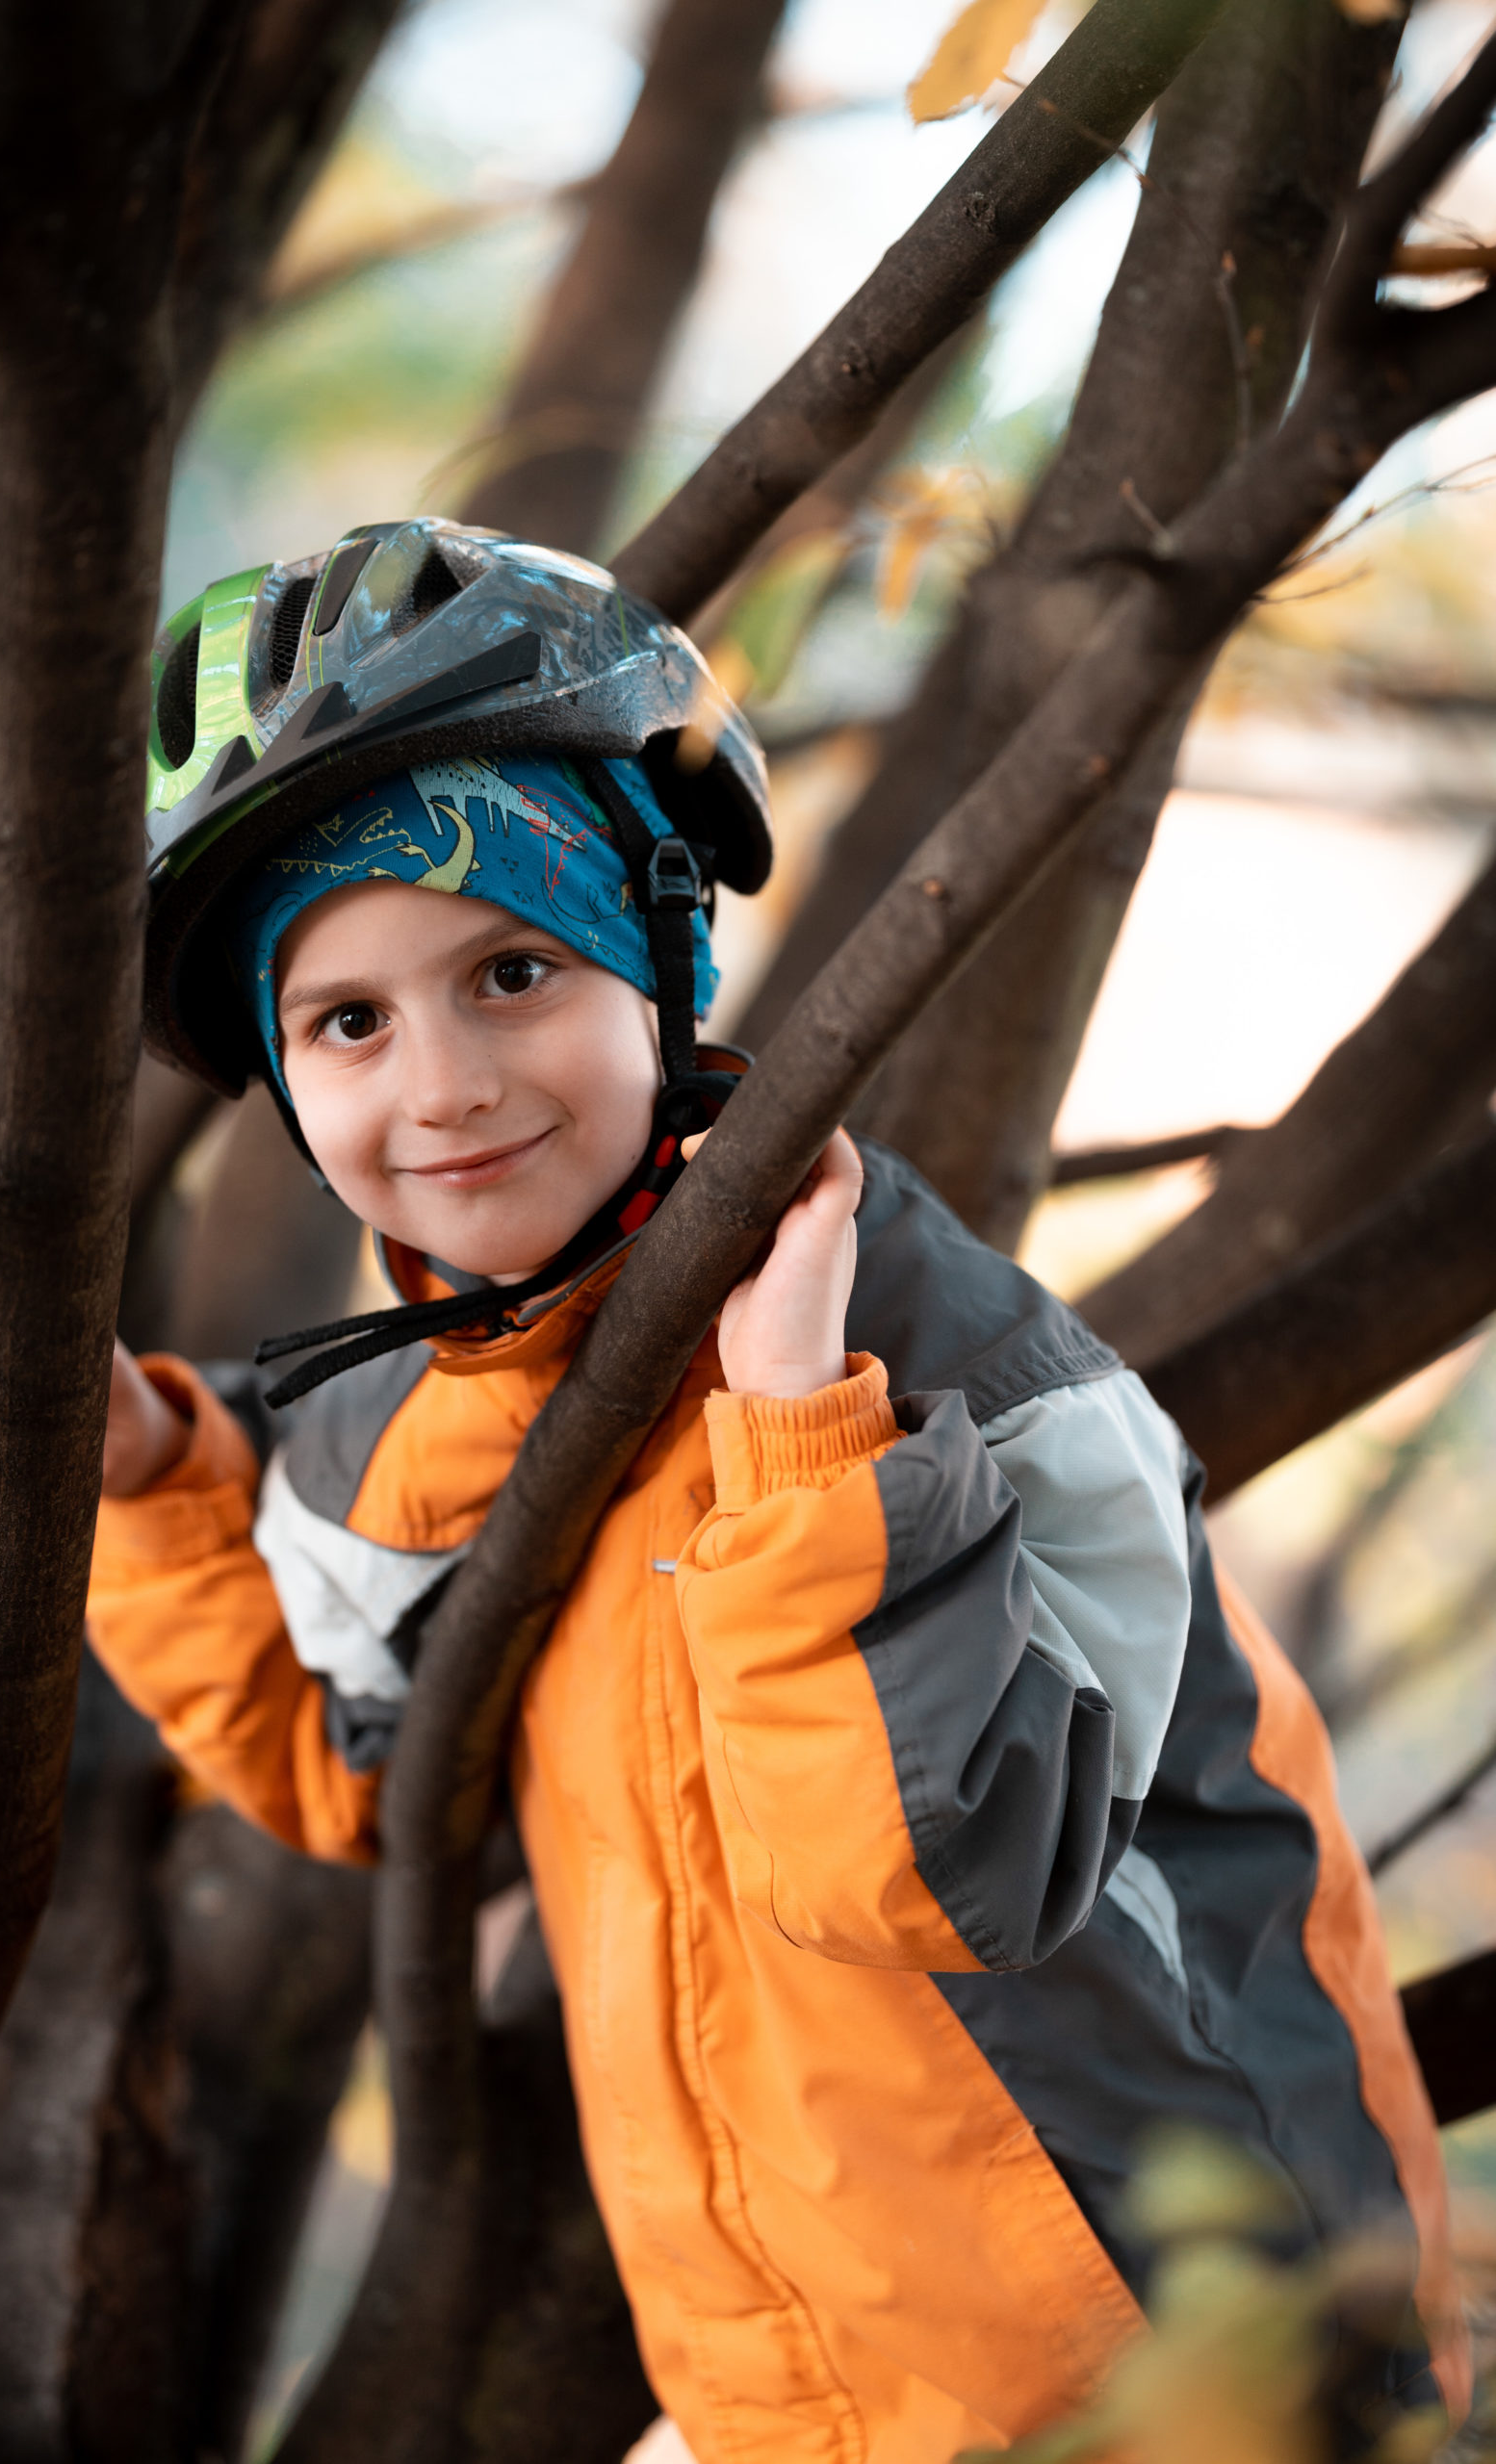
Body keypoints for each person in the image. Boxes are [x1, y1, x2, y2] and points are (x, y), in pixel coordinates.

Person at [93, 518, 1464, 2460]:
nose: (446, 1082)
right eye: (349, 1020)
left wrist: (806, 1431)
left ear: (662, 960)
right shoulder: (436, 1414)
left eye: (511, 966)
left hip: (1161, 2378)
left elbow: (924, 1866)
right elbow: (366, 1767)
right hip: (791, 2404)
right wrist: (158, 1489)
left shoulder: (956, 1373)